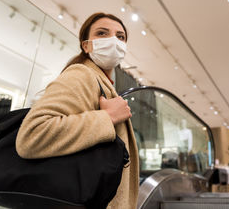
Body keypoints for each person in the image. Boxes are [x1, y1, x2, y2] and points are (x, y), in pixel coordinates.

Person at [15, 12, 139, 209]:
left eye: (120, 36)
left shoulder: (102, 82)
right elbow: (32, 134)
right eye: (102, 33)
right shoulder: (82, 74)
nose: (113, 41)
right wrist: (107, 117)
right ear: (86, 45)